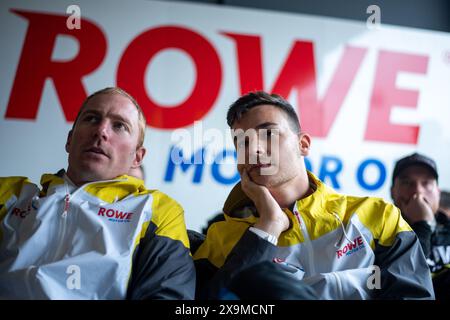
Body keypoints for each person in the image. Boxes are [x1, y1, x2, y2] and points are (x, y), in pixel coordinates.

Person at [194, 91, 434, 299]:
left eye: (268, 134)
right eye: (242, 143)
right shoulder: (220, 237)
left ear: (303, 144)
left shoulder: (378, 215)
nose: (254, 149)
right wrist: (267, 227)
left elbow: (412, 295)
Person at [0, 87, 195, 299]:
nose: (101, 131)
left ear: (137, 157)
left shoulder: (158, 210)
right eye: (92, 118)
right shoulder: (10, 193)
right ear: (69, 139)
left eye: (119, 126)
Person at [390, 153, 450, 299]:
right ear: (393, 192)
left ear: (438, 192)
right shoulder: (377, 237)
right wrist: (423, 225)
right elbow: (400, 284)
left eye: (426, 183)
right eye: (407, 182)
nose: (418, 191)